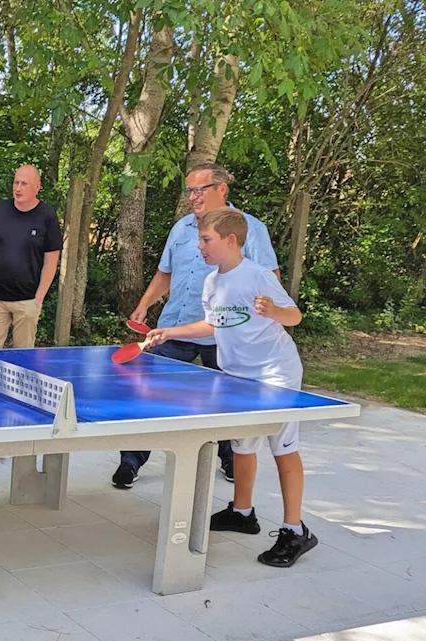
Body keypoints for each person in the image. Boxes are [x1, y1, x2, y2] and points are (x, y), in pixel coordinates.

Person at [145, 207, 315, 568]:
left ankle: (295, 529)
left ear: (231, 240)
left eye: (206, 240)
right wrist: (169, 331)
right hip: (238, 376)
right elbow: (213, 325)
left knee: (282, 449)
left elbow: (294, 315)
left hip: (274, 374)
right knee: (242, 446)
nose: (200, 246)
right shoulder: (212, 282)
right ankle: (242, 512)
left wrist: (273, 310)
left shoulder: (257, 276)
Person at [111, 162, 280, 490]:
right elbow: (166, 274)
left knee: (230, 401)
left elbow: (270, 280)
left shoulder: (251, 229)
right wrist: (144, 305)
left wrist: (267, 321)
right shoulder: (181, 229)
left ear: (222, 189)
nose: (192, 196)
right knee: (146, 396)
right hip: (175, 327)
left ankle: (230, 458)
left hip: (226, 334)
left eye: (199, 189)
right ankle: (130, 461)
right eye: (188, 190)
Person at [0, 165, 62, 349]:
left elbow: (51, 261)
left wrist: (38, 299)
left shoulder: (47, 216)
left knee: (24, 357)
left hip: (27, 299)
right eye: (16, 182)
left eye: (24, 184)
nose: (18, 188)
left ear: (37, 187)